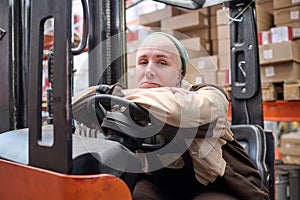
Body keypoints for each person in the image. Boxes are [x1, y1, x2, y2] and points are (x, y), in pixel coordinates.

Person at [72, 32, 269, 200]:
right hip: (165, 187)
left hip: (221, 186)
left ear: (179, 72)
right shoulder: (129, 104)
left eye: (162, 63)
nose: (149, 71)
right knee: (132, 193)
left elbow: (176, 110)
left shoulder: (209, 96)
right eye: (142, 62)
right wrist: (119, 95)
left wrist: (122, 97)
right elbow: (74, 106)